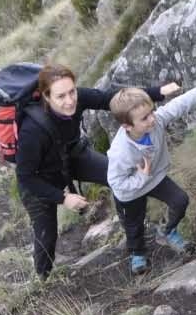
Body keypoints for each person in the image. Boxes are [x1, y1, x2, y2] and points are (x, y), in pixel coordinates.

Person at [15, 63, 179, 278]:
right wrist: (62, 198)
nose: (70, 100)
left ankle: (136, 248)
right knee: (46, 237)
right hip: (41, 177)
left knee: (121, 181)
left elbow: (110, 99)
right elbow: (25, 177)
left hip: (74, 156)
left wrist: (157, 92)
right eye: (61, 96)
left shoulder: (79, 98)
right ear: (46, 97)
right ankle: (43, 280)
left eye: (72, 91)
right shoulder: (32, 131)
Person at [106, 74, 196, 275]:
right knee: (133, 224)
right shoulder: (120, 152)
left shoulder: (156, 121)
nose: (152, 119)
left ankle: (167, 230)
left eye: (151, 112)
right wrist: (141, 178)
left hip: (155, 177)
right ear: (127, 126)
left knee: (180, 200)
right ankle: (137, 253)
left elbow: (181, 104)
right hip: (129, 191)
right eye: (144, 118)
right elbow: (116, 182)